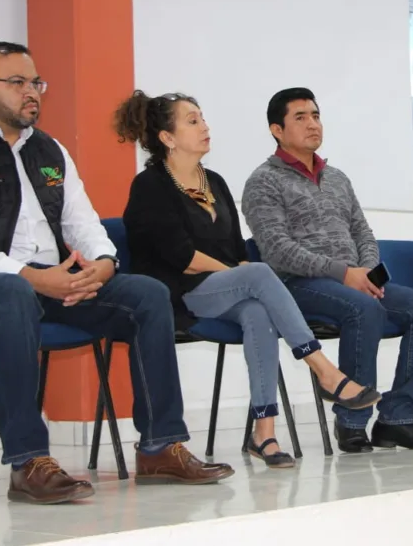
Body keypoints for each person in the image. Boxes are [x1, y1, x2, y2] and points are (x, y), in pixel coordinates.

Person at [0, 42, 233, 505]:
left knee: (146, 294)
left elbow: (82, 222)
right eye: (16, 82)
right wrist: (30, 276)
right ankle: (28, 462)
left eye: (35, 82)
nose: (31, 92)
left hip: (51, 280)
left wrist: (103, 263)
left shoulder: (49, 149)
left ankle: (160, 447)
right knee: (11, 293)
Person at [117, 90, 382, 469]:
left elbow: (236, 249)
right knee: (258, 274)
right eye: (192, 121)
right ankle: (325, 371)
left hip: (221, 288)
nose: (205, 126)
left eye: (203, 118)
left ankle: (264, 433)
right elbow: (182, 258)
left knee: (257, 312)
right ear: (167, 137)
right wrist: (242, 274)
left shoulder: (214, 182)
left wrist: (242, 272)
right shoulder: (150, 186)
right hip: (176, 293)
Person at [242, 87, 413, 454]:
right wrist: (343, 273)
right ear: (277, 130)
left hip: (352, 280)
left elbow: (362, 232)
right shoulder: (263, 181)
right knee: (363, 307)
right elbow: (277, 249)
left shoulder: (337, 177)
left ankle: (396, 418)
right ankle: (352, 421)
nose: (313, 124)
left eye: (316, 115)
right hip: (297, 285)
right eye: (300, 117)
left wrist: (365, 270)